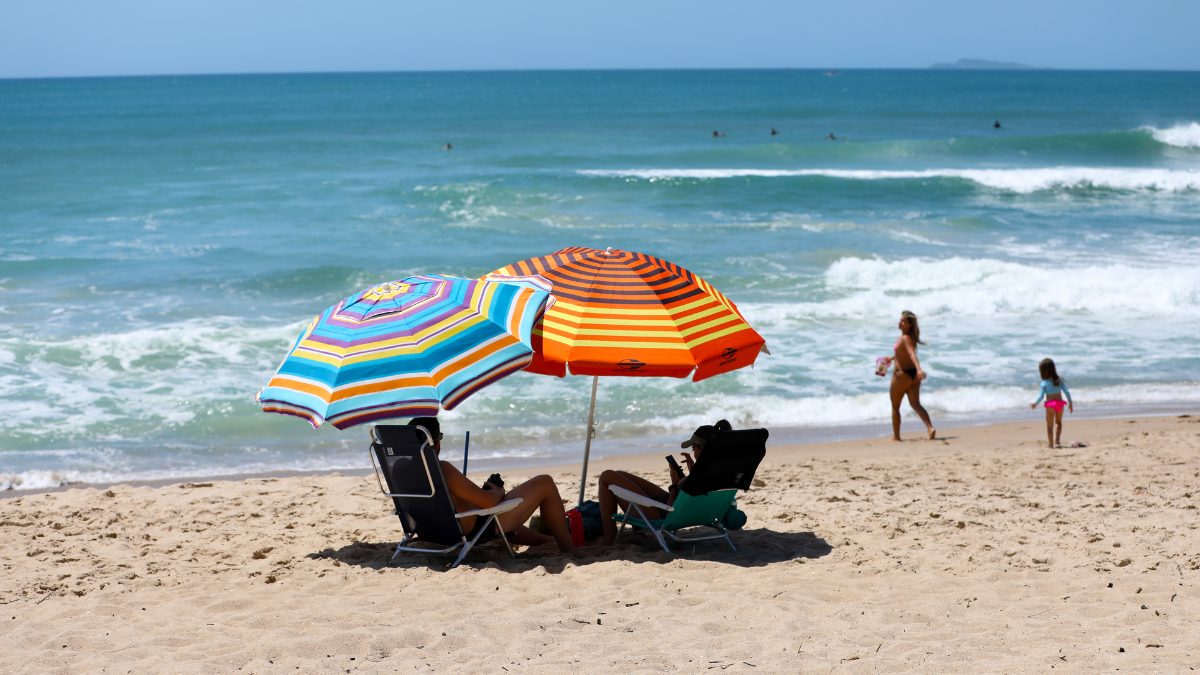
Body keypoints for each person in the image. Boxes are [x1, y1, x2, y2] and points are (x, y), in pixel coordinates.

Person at [406, 417, 575, 554]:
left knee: (493, 512)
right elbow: (488, 503)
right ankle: (568, 548)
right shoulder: (441, 469)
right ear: (436, 443)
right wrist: (497, 492)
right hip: (467, 530)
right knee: (544, 482)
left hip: (429, 531)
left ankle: (547, 541)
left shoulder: (401, 469)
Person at [596, 420, 730, 546]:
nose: (693, 452)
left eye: (694, 448)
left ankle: (609, 536)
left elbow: (669, 512)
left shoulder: (697, 478)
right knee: (620, 474)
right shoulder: (720, 469)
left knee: (606, 476)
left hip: (664, 514)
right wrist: (693, 472)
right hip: (690, 510)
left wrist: (674, 484)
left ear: (701, 449)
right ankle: (637, 531)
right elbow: (699, 494)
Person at [881, 311, 936, 441]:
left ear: (909, 325)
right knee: (916, 404)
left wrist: (919, 370)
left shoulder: (905, 338)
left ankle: (896, 437)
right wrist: (892, 358)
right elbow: (905, 354)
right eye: (900, 320)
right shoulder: (909, 338)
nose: (900, 322)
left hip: (903, 375)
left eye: (903, 321)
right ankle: (930, 428)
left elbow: (912, 354)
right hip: (912, 376)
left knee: (895, 407)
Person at [1030, 358, 1073, 448]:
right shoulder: (1059, 380)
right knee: (1059, 423)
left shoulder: (1044, 383)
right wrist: (1070, 403)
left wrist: (1035, 404)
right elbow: (1067, 392)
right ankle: (1057, 441)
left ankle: (1050, 444)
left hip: (1050, 405)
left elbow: (1041, 396)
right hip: (1060, 404)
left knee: (1049, 426)